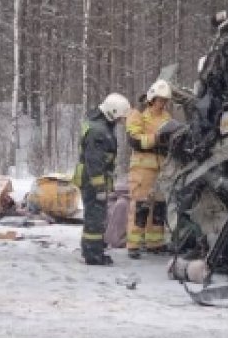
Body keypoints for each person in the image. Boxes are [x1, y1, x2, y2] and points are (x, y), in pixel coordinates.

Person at [75, 93, 130, 266]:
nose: (121, 121)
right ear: (112, 112)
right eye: (120, 117)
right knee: (94, 217)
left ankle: (93, 249)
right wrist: (99, 187)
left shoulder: (100, 126)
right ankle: (93, 255)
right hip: (93, 181)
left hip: (92, 179)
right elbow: (94, 161)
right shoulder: (98, 132)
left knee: (96, 215)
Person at [125, 80, 174, 258]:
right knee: (140, 206)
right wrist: (156, 139)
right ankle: (133, 245)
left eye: (165, 101)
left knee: (158, 207)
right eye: (160, 100)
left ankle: (155, 243)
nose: (163, 104)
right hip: (142, 170)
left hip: (161, 170)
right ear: (152, 98)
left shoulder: (167, 118)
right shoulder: (138, 115)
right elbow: (135, 140)